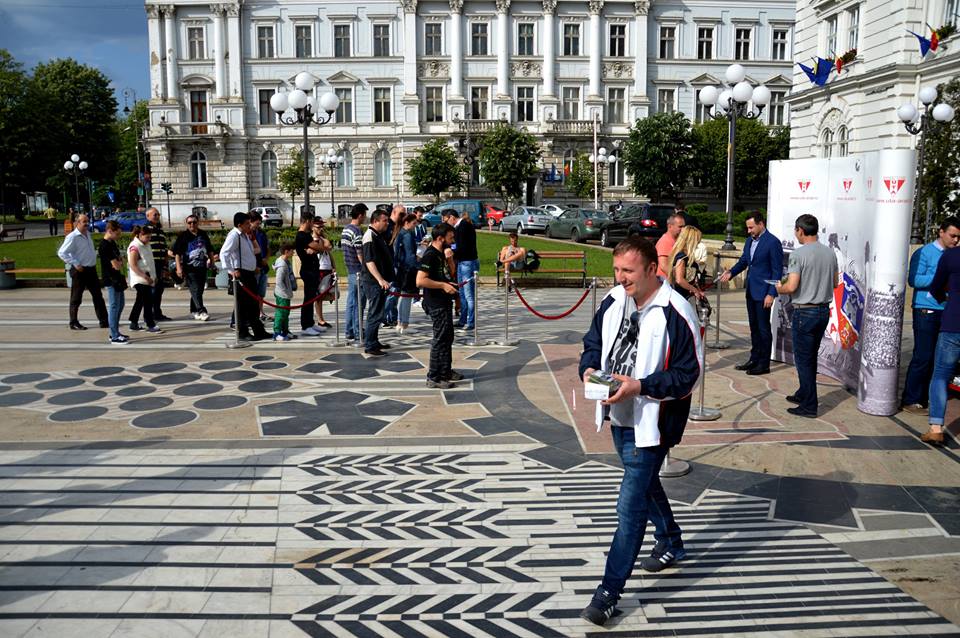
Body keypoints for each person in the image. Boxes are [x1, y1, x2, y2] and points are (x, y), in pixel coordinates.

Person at [578, 236, 701, 626]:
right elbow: (593, 342)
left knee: (629, 506)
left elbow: (688, 375)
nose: (621, 278)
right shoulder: (614, 300)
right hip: (618, 414)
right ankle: (671, 541)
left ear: (652, 269)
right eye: (617, 269)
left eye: (628, 271)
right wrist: (588, 367)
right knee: (644, 484)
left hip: (654, 423)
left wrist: (641, 386)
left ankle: (608, 593)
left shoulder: (677, 311)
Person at [775, 214, 839, 418]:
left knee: (803, 359)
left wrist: (779, 287)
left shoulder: (798, 254)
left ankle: (810, 405)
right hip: (823, 311)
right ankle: (803, 392)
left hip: (805, 311)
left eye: (796, 231)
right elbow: (835, 283)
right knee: (810, 356)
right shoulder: (830, 253)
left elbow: (791, 286)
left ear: (800, 230)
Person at [901, 217, 960, 415]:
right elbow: (914, 279)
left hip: (947, 311)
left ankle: (927, 396)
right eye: (952, 235)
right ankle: (911, 399)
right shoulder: (924, 253)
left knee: (938, 358)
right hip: (926, 310)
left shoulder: (954, 255)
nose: (955, 240)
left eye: (958, 237)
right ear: (941, 232)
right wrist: (940, 277)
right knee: (923, 356)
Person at [718, 211, 784, 376]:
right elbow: (744, 261)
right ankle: (754, 358)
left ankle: (764, 363)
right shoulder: (749, 241)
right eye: (747, 228)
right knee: (754, 328)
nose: (749, 231)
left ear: (761, 224)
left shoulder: (773, 242)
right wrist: (731, 273)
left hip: (764, 293)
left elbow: (777, 271)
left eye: (751, 227)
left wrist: (771, 293)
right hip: (751, 291)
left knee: (763, 329)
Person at [418, 222, 464, 388]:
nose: (453, 241)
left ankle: (445, 371)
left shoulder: (441, 254)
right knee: (439, 339)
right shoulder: (430, 255)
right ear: (440, 238)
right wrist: (443, 285)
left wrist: (450, 261)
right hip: (435, 302)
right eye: (450, 238)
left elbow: (448, 274)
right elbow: (420, 280)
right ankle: (433, 377)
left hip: (444, 301)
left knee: (447, 337)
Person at [221, 212, 270, 342]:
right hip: (241, 274)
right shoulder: (234, 236)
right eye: (247, 223)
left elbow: (249, 252)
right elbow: (224, 253)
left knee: (253, 304)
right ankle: (242, 332)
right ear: (239, 224)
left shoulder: (245, 235)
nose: (250, 225)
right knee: (242, 305)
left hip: (249, 273)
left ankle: (258, 330)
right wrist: (231, 270)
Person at [57, 213, 108, 331]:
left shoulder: (87, 234)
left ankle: (104, 320)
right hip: (80, 271)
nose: (87, 224)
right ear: (77, 223)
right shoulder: (73, 236)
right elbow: (62, 252)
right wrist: (75, 263)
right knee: (76, 298)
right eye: (84, 221)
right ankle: (73, 322)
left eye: (87, 221)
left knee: (98, 296)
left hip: (91, 270)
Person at [361, 209, 395, 356]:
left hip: (379, 281)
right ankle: (370, 345)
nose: (387, 223)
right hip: (373, 282)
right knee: (374, 313)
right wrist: (380, 279)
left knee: (378, 313)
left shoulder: (377, 235)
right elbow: (369, 261)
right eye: (384, 221)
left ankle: (374, 341)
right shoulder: (369, 236)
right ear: (375, 221)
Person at [173, 214, 216, 321]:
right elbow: (177, 254)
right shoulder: (183, 236)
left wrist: (212, 262)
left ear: (198, 223)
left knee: (199, 290)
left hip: (202, 267)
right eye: (189, 222)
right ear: (186, 224)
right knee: (195, 289)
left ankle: (194, 311)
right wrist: (179, 268)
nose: (192, 224)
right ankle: (202, 311)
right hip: (189, 268)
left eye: (194, 222)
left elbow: (209, 249)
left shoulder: (203, 234)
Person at [442, 209, 479, 331]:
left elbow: (461, 246)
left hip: (467, 262)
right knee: (462, 293)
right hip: (462, 262)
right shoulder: (460, 227)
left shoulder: (463, 227)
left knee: (468, 295)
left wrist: (450, 249)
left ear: (452, 217)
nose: (446, 224)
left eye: (446, 220)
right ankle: (463, 320)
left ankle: (471, 321)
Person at [295, 214, 327, 337]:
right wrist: (318, 247)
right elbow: (321, 247)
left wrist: (316, 249)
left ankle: (310, 323)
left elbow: (320, 248)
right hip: (307, 270)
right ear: (307, 221)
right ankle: (305, 326)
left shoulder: (307, 235)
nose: (313, 224)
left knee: (312, 297)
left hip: (313, 269)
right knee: (308, 299)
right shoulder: (301, 236)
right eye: (312, 222)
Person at [127, 225, 162, 334]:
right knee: (147, 301)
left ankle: (133, 323)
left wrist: (154, 276)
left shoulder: (146, 245)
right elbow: (133, 265)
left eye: (150, 237)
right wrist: (145, 277)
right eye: (147, 237)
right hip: (140, 278)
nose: (149, 239)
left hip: (148, 278)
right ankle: (150, 324)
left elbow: (150, 262)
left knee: (141, 301)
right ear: (139, 235)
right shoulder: (134, 246)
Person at [98, 220, 128, 344]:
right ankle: (114, 335)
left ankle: (115, 332)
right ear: (110, 231)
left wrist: (119, 262)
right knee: (114, 306)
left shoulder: (112, 243)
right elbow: (117, 265)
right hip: (110, 279)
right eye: (117, 234)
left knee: (120, 304)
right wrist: (119, 262)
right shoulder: (104, 245)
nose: (119, 236)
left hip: (117, 278)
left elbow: (121, 261)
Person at [341, 203, 368, 342]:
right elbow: (359, 253)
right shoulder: (357, 231)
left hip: (350, 268)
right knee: (359, 302)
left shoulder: (346, 229)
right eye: (364, 215)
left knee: (351, 301)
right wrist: (366, 268)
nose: (365, 218)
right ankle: (358, 331)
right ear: (360, 215)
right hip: (358, 270)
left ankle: (349, 330)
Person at [667, 225, 707, 311]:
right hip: (680, 298)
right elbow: (679, 280)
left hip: (681, 297)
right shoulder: (682, 258)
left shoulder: (684, 257)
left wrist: (698, 290)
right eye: (697, 241)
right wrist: (695, 290)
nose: (698, 244)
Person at [393, 213, 420, 334]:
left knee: (404, 296)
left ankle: (401, 322)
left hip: (402, 268)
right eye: (414, 223)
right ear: (406, 223)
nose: (415, 226)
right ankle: (404, 323)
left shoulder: (400, 233)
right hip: (408, 269)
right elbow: (410, 255)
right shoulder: (407, 235)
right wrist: (418, 266)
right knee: (407, 297)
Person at [144, 207, 172, 321]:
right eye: (154, 215)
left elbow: (164, 248)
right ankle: (149, 315)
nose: (157, 217)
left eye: (158, 215)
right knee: (152, 290)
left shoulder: (160, 230)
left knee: (159, 289)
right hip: (151, 264)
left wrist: (165, 264)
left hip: (160, 263)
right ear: (148, 216)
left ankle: (157, 313)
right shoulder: (145, 229)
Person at [383, 204, 407, 328]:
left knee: (395, 292)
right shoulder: (388, 226)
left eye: (404, 214)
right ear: (393, 212)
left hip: (397, 263)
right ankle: (383, 316)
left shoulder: (399, 226)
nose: (403, 217)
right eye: (401, 214)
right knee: (393, 292)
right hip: (391, 263)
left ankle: (392, 317)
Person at [310, 217, 334, 329]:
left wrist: (333, 266)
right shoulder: (312, 239)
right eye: (318, 226)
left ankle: (320, 318)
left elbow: (329, 250)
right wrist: (323, 242)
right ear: (313, 227)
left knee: (327, 294)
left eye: (322, 226)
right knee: (319, 296)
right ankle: (320, 319)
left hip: (327, 268)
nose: (321, 228)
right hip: (319, 268)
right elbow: (327, 246)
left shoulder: (322, 239)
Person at [273, 243, 298, 342]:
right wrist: (285, 292)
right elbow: (279, 281)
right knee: (280, 313)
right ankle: (277, 333)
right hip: (282, 294)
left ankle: (285, 331)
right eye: (292, 251)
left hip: (285, 293)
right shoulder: (282, 265)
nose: (293, 252)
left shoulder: (286, 262)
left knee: (285, 313)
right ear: (286, 252)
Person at [248, 211, 271, 322]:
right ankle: (253, 314)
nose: (258, 225)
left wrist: (266, 259)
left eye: (259, 223)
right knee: (253, 293)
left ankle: (261, 313)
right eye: (257, 223)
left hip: (263, 267)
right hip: (254, 268)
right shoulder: (247, 235)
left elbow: (268, 248)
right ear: (250, 222)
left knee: (261, 293)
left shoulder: (261, 233)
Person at [654, 213, 686, 278]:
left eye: (684, 226)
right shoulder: (665, 241)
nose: (683, 229)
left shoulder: (676, 240)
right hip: (665, 280)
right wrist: (678, 278)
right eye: (680, 227)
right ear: (670, 226)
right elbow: (663, 265)